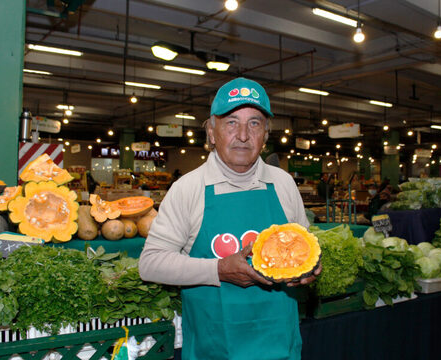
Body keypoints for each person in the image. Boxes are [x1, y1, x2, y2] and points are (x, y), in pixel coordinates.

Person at [138, 77, 321, 360]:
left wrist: (310, 266)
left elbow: (305, 242)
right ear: (212, 132)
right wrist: (219, 269)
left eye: (255, 123)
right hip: (214, 348)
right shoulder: (188, 189)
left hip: (280, 346)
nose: (244, 135)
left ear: (266, 134)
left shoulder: (283, 184)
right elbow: (151, 264)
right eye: (231, 122)